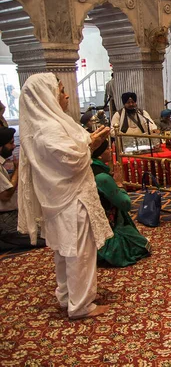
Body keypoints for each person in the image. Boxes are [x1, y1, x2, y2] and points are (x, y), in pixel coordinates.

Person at [18, 73, 113, 319]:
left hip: (62, 198)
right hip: (71, 200)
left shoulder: (49, 124)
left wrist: (90, 142)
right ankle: (81, 305)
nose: (66, 94)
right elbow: (70, 161)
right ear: (47, 96)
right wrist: (90, 143)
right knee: (78, 251)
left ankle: (66, 296)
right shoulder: (48, 129)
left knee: (65, 250)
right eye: (61, 91)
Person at [91, 140, 151, 267]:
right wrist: (119, 184)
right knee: (142, 245)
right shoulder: (102, 177)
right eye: (107, 149)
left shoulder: (87, 169)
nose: (111, 150)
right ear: (99, 155)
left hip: (86, 229)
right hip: (104, 230)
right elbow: (125, 204)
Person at [0, 127, 45, 251]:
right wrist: (18, 170)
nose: (14, 146)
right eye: (10, 143)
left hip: (11, 214)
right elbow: (5, 195)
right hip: (4, 218)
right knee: (42, 236)